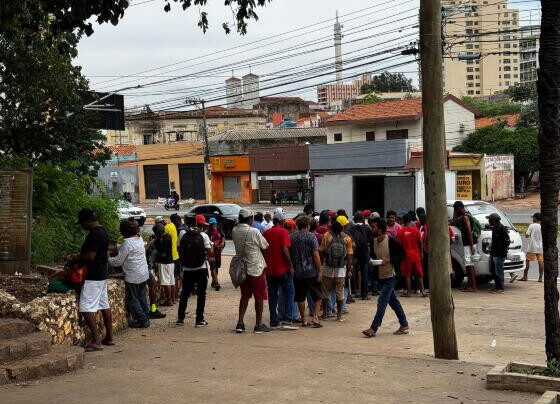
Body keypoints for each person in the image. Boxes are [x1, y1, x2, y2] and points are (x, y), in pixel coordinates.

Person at [68, 209, 113, 352]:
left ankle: (96, 340)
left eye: (82, 223)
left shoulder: (94, 234)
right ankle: (109, 337)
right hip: (102, 274)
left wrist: (74, 259)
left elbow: (90, 257)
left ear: (87, 221)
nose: (82, 227)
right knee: (104, 305)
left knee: (86, 308)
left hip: (93, 276)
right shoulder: (103, 231)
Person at [362, 218, 409, 338]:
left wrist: (390, 260)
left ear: (381, 229)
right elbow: (372, 256)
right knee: (393, 302)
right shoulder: (373, 241)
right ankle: (404, 324)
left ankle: (373, 328)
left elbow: (403, 255)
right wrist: (371, 261)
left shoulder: (391, 241)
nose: (372, 229)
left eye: (374, 227)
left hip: (391, 275)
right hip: (381, 275)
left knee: (381, 301)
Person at [232, 209, 271, 334]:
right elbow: (265, 246)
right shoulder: (254, 231)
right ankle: (258, 324)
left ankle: (240, 323)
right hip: (255, 268)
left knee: (244, 296)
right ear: (250, 219)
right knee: (259, 297)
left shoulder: (235, 230)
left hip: (242, 268)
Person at [108, 219, 150, 328]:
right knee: (142, 297)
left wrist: (108, 258)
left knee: (133, 299)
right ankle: (146, 317)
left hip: (133, 275)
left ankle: (143, 320)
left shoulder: (127, 243)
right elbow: (126, 248)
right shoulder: (139, 238)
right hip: (143, 273)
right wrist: (115, 248)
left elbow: (118, 261)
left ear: (125, 232)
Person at [176, 215, 214, 326]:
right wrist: (211, 246)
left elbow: (179, 248)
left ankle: (180, 319)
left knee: (185, 293)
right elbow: (210, 253)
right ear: (199, 224)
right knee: (201, 294)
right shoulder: (203, 235)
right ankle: (199, 319)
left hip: (187, 268)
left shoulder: (183, 234)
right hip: (200, 268)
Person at [264, 210, 297, 329]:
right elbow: (285, 249)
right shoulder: (283, 232)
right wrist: (291, 265)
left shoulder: (266, 233)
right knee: (289, 292)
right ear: (282, 222)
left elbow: (263, 250)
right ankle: (287, 319)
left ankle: (274, 320)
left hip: (270, 269)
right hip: (282, 268)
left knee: (272, 295)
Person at [290, 216, 323, 328]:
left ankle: (303, 319)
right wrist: (320, 271)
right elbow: (315, 255)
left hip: (298, 272)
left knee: (300, 297)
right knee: (318, 295)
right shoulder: (311, 237)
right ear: (308, 226)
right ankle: (315, 317)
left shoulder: (292, 237)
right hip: (311, 271)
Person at [320, 218, 353, 322]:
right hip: (341, 269)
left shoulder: (326, 235)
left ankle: (325, 314)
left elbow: (321, 251)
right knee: (340, 292)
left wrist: (324, 261)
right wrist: (348, 270)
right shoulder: (347, 238)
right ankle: (339, 315)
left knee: (325, 291)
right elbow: (350, 255)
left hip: (328, 268)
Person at [396, 214, 426, 297]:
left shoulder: (401, 231)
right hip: (416, 255)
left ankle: (409, 292)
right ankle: (423, 291)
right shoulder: (416, 230)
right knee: (419, 274)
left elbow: (398, 244)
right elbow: (420, 242)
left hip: (406, 256)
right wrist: (421, 253)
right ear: (410, 221)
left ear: (403, 221)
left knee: (407, 275)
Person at [452, 201, 478, 292]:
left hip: (469, 244)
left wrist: (471, 246)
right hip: (468, 244)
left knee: (470, 265)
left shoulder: (466, 217)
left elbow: (469, 231)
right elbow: (456, 221)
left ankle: (473, 286)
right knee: (468, 265)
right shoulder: (466, 215)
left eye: (455, 210)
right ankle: (469, 285)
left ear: (459, 208)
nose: (455, 212)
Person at [348, 211, 372, 300]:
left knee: (351, 272)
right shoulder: (367, 228)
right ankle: (364, 294)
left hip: (353, 252)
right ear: (363, 219)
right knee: (364, 273)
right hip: (364, 253)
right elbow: (371, 240)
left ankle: (352, 292)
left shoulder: (350, 229)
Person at [152, 223, 175, 306]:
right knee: (171, 281)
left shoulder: (164, 240)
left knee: (166, 283)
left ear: (158, 232)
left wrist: (155, 248)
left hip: (164, 263)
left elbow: (163, 254)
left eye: (155, 233)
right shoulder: (168, 236)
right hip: (170, 262)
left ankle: (169, 301)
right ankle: (172, 299)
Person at [487, 213, 510, 293]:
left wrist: (502, 250)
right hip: (493, 253)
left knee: (499, 271)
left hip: (499, 254)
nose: (488, 221)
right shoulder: (495, 228)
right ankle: (496, 286)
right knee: (492, 269)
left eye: (490, 220)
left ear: (494, 221)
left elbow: (507, 241)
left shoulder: (502, 229)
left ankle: (500, 288)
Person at [520, 212, 543, 282]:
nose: (532, 219)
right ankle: (540, 278)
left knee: (527, 260)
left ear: (535, 218)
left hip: (532, 247)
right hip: (540, 247)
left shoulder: (531, 225)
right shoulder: (542, 226)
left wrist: (526, 233)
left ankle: (525, 276)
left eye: (533, 217)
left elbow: (527, 235)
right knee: (541, 261)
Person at [207, 217, 225, 291]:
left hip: (218, 252)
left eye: (215, 223)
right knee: (213, 266)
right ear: (209, 225)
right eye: (212, 224)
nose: (214, 225)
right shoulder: (207, 232)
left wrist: (222, 243)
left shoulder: (219, 229)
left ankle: (213, 281)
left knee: (216, 267)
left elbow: (223, 236)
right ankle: (216, 282)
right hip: (211, 252)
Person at [170, 213, 185, 300]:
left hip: (179, 255)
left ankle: (177, 294)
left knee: (177, 275)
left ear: (177, 221)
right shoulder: (186, 227)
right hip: (185, 254)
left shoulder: (179, 230)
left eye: (173, 222)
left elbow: (178, 245)